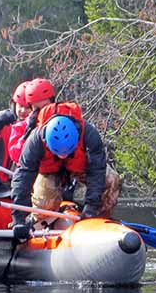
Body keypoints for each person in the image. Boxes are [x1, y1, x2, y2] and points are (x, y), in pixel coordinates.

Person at [9, 100, 122, 241]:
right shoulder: (35, 140)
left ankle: (97, 221)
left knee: (112, 180)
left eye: (66, 152)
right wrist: (18, 218)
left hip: (79, 167)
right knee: (44, 203)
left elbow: (97, 171)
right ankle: (33, 223)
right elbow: (23, 177)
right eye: (59, 152)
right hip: (50, 170)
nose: (63, 156)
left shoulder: (89, 134)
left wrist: (91, 207)